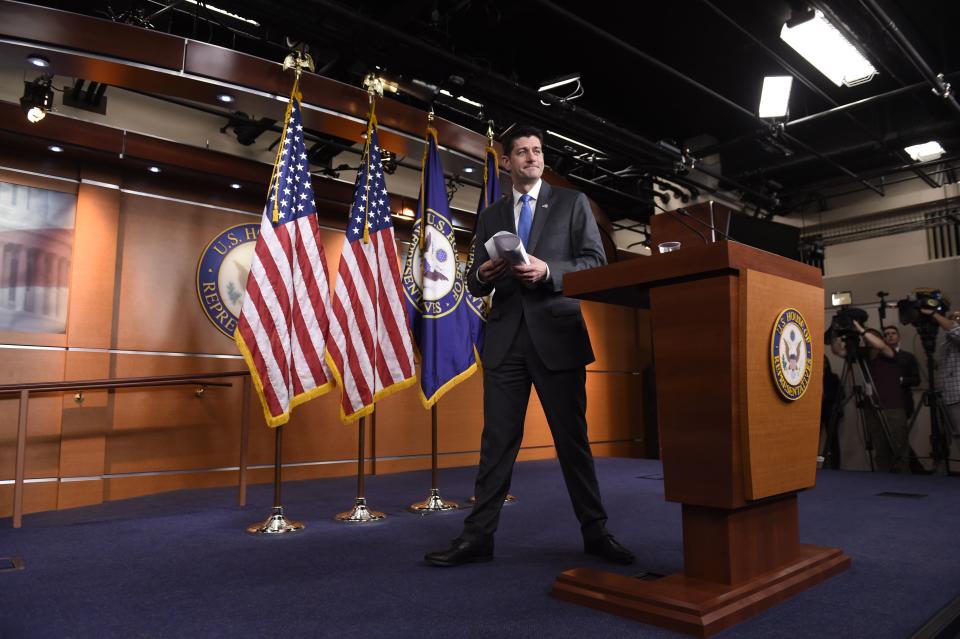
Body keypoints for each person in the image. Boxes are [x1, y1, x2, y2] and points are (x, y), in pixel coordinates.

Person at [424, 125, 634, 567]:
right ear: (506, 162)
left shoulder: (573, 203)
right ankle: (478, 538)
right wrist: (486, 273)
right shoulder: (493, 213)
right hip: (506, 341)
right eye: (521, 152)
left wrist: (547, 271)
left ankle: (596, 533)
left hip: (557, 335)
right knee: (496, 444)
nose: (531, 158)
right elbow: (473, 280)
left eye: (537, 151)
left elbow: (595, 265)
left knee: (572, 441)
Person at [831, 321, 910, 472]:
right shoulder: (863, 355)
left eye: (873, 336)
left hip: (893, 407)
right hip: (872, 407)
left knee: (899, 447)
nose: (868, 338)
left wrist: (861, 329)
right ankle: (884, 480)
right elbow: (838, 352)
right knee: (880, 449)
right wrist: (834, 335)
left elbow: (880, 346)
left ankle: (904, 479)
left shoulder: (889, 352)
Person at [925, 308, 960, 437]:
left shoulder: (956, 334)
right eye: (952, 317)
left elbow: (954, 330)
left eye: (958, 317)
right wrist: (935, 365)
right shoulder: (947, 343)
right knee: (954, 438)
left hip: (957, 397)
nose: (954, 320)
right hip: (947, 396)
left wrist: (933, 313)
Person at [881, 325, 921, 417]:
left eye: (893, 333)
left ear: (899, 337)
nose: (890, 336)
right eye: (887, 334)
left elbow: (916, 380)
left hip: (903, 402)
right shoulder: (879, 358)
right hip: (884, 403)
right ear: (883, 339)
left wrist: (900, 380)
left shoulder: (909, 357)